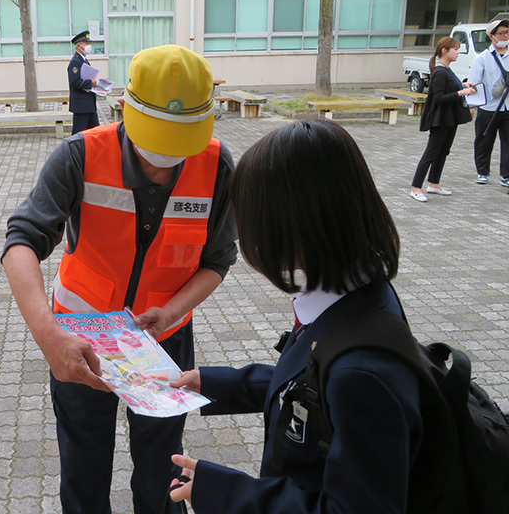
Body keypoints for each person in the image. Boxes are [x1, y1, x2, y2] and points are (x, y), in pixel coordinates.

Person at [3, 44, 238, 514]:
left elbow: (217, 260)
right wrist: (48, 335)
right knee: (84, 464)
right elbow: (20, 243)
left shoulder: (217, 166)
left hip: (164, 339)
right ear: (124, 108)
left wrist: (171, 311)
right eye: (155, 147)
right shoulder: (80, 155)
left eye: (178, 150)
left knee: (161, 466)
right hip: (78, 341)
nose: (162, 165)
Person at [167, 119, 435, 513]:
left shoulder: (362, 372)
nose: (244, 234)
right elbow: (308, 388)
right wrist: (211, 383)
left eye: (251, 219)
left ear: (294, 224)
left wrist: (225, 492)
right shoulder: (356, 296)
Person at [409, 37, 476, 202]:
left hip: (450, 118)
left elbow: (450, 87)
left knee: (443, 151)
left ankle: (434, 183)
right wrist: (462, 93)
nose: (458, 52)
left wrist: (463, 86)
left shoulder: (447, 69)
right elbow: (438, 98)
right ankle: (416, 188)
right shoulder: (439, 71)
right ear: (444, 51)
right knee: (431, 152)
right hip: (440, 119)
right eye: (455, 49)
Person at [470, 18, 509, 186]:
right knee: (484, 140)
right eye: (501, 33)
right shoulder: (482, 58)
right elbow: (474, 84)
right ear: (492, 36)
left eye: (507, 32)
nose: (505, 36)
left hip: (508, 107)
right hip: (488, 108)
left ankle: (506, 175)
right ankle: (482, 172)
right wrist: (472, 106)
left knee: (508, 142)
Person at [67, 30, 99, 134]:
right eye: (87, 44)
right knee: (78, 135)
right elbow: (75, 82)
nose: (89, 46)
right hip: (81, 106)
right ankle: (75, 151)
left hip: (89, 105)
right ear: (79, 46)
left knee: (95, 133)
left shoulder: (84, 60)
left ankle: (93, 150)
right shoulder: (75, 62)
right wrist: (91, 83)